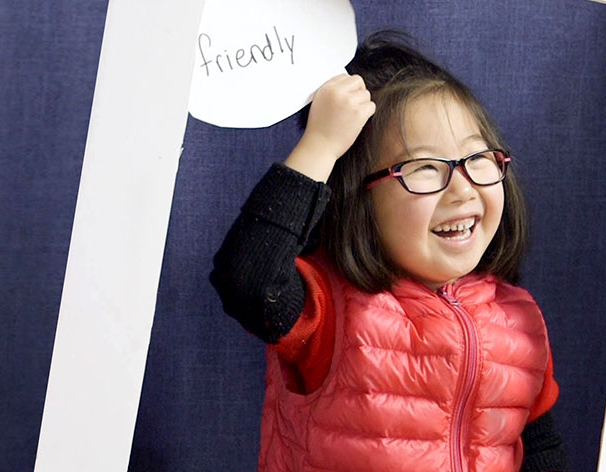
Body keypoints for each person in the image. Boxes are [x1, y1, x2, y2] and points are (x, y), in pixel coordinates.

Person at [210, 31, 567, 472]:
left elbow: (541, 449)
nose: (462, 189)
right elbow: (247, 280)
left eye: (477, 159)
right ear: (358, 200)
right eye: (423, 169)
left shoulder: (519, 319)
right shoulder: (330, 313)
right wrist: (322, 145)